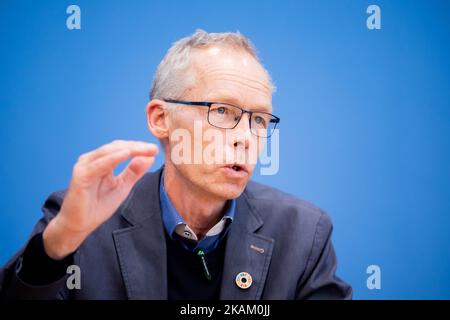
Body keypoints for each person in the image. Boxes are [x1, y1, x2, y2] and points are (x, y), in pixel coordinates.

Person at [0, 29, 352, 300]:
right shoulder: (81, 219)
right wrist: (59, 243)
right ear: (160, 119)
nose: (245, 136)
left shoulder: (304, 233)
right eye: (223, 112)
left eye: (258, 119)